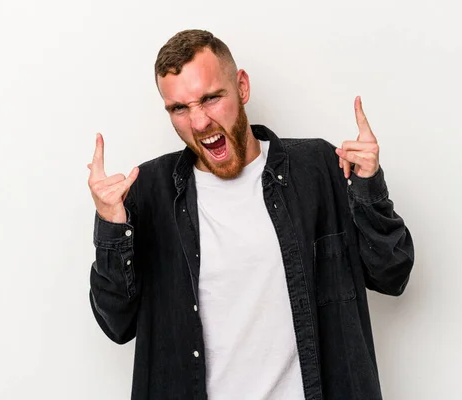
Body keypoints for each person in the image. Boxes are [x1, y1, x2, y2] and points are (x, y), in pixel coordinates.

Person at [87, 29, 414, 400]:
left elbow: (393, 273)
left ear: (241, 87)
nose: (198, 123)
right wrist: (112, 227)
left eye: (210, 99)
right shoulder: (148, 191)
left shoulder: (319, 169)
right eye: (179, 108)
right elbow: (116, 323)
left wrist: (368, 186)